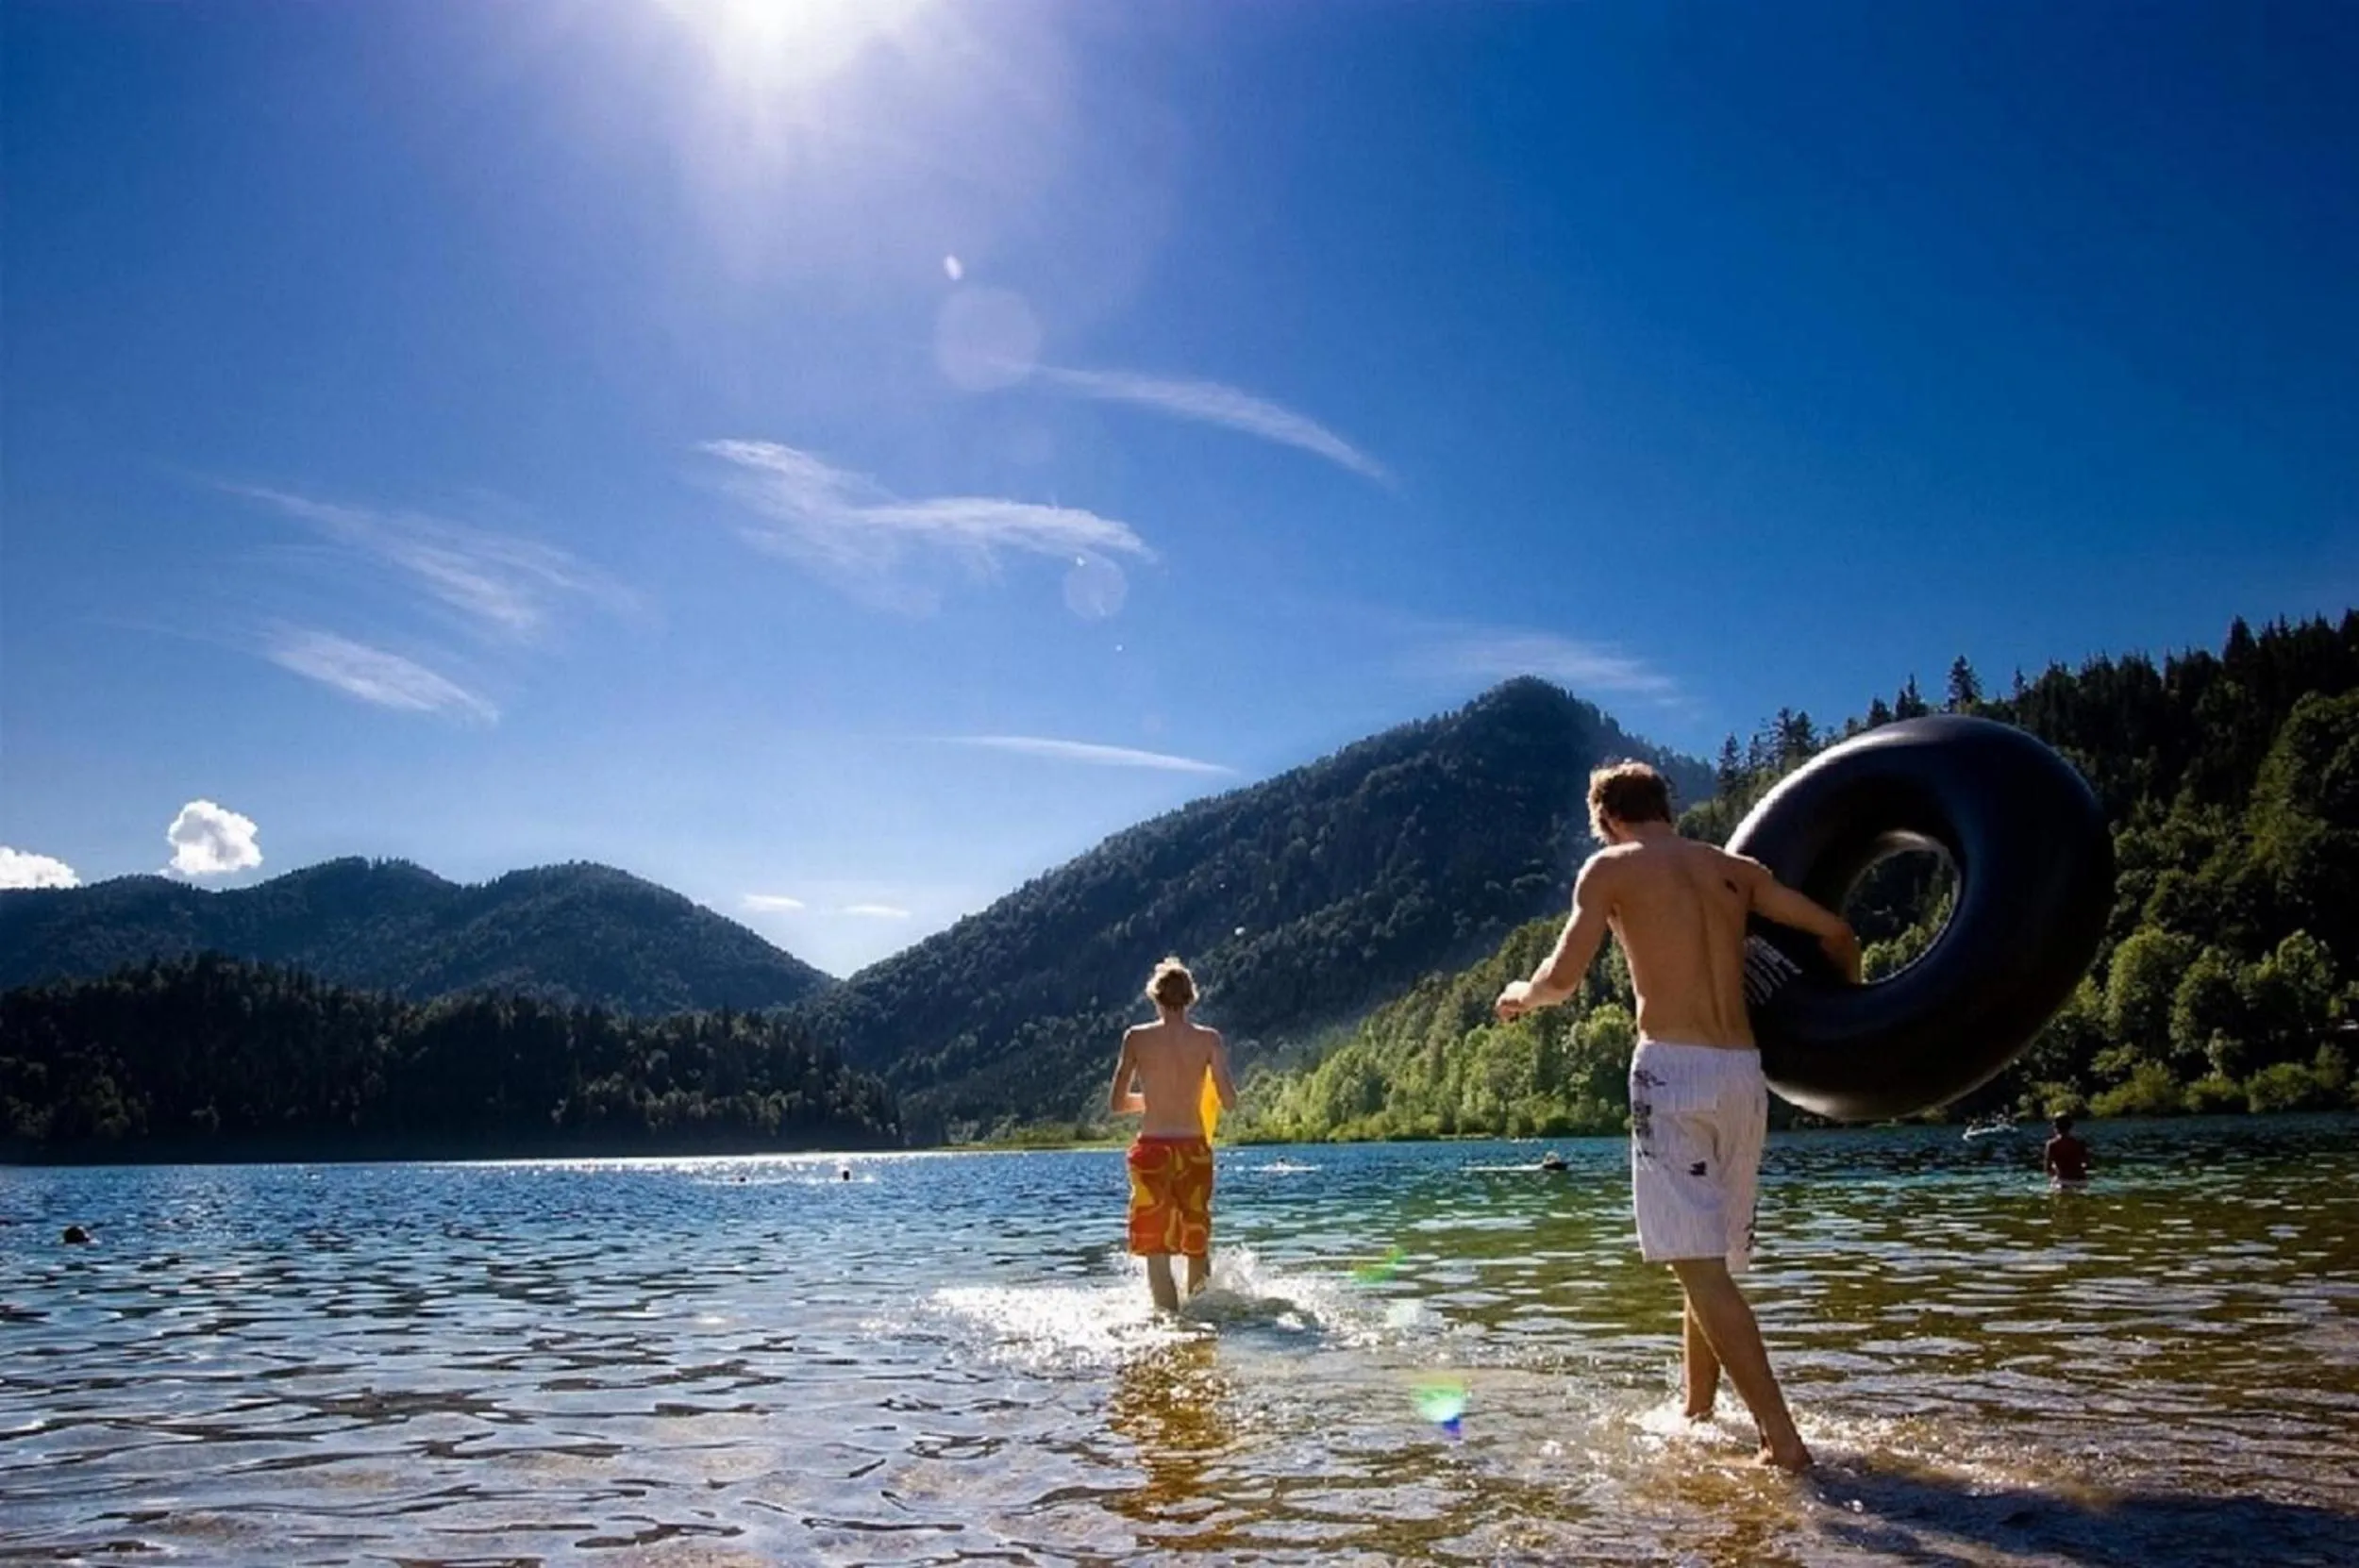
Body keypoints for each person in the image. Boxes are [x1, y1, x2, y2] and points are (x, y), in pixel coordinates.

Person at [1495, 761, 1861, 1473]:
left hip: (1671, 1070)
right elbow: (1839, 935)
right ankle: (1698, 1411)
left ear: (1606, 819)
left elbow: (1563, 978)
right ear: (1667, 805)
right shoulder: (1737, 870)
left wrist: (1519, 995)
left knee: (1698, 1268)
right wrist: (1848, 1028)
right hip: (1744, 1075)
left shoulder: (1610, 870)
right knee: (1709, 1264)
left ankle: (1781, 1441)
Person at [1110, 957, 1238, 1310]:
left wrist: (1152, 1100)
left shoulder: (1135, 1038)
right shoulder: (1210, 1040)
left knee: (1156, 1248)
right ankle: (1202, 1321)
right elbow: (1229, 1101)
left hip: (1152, 1152)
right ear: (1190, 998)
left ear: (1155, 997)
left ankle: (1168, 1326)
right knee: (1196, 1241)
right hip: (1194, 1150)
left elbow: (1118, 1103)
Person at [2044, 1114, 2091, 1187]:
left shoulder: (2052, 1144)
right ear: (2071, 1126)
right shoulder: (2080, 1142)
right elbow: (2087, 1163)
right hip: (2081, 1180)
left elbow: (2047, 1168)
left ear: (2055, 1127)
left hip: (2063, 1181)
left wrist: (2055, 1171)